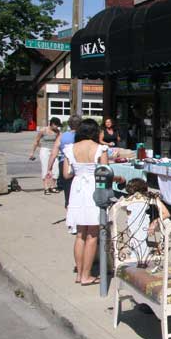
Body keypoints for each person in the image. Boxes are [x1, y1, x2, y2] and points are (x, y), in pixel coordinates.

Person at [63, 118, 109, 285]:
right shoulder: (100, 148)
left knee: (80, 234)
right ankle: (86, 275)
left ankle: (79, 273)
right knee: (92, 234)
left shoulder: (70, 149)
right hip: (94, 188)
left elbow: (66, 175)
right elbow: (105, 173)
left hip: (77, 189)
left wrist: (79, 171)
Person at [47, 115, 82, 209]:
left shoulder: (62, 136)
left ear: (69, 125)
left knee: (67, 189)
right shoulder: (83, 136)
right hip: (79, 164)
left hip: (64, 164)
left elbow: (53, 153)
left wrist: (49, 168)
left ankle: (69, 209)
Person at [29, 117, 62, 195]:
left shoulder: (57, 132)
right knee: (45, 168)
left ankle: (53, 186)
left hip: (54, 151)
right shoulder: (43, 130)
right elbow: (36, 141)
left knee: (56, 169)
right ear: (53, 124)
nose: (57, 127)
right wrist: (32, 153)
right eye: (57, 125)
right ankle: (46, 187)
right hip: (45, 150)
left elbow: (58, 142)